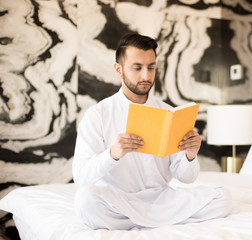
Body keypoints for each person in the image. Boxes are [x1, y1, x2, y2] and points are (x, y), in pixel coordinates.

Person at [72, 33, 232, 230]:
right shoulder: (98, 114)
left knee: (223, 198)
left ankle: (139, 221)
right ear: (118, 69)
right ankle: (160, 220)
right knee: (85, 201)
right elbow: (81, 177)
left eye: (151, 67)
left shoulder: (168, 112)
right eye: (137, 68)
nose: (146, 76)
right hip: (120, 200)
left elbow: (186, 178)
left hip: (162, 199)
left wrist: (190, 156)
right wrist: (113, 154)